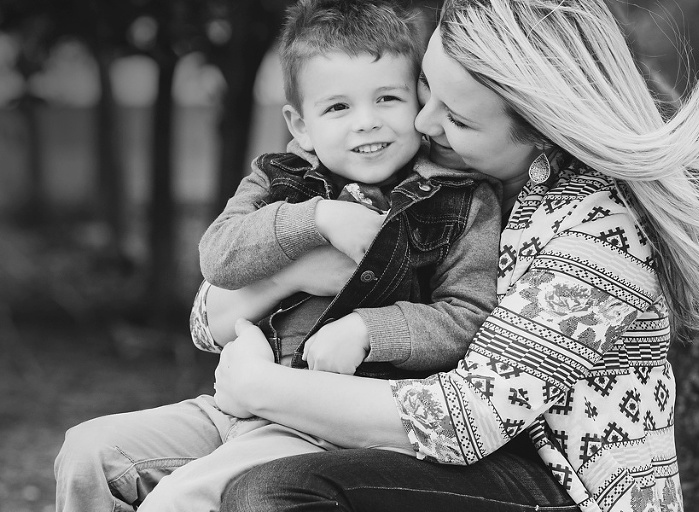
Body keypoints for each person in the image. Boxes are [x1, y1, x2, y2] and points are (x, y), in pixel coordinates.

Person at [212, 1, 699, 511]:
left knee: (274, 490)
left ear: (543, 132)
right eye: (426, 88)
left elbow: (472, 416)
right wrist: (295, 274)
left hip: (566, 486)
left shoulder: (599, 232)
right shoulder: (434, 168)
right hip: (460, 455)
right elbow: (214, 309)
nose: (424, 122)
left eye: (457, 117)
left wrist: (264, 387)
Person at [53, 1, 501, 512]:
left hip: (325, 423)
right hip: (233, 407)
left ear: (418, 103)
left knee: (181, 500)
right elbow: (220, 256)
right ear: (300, 124)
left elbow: (467, 318)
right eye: (338, 107)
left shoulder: (458, 201)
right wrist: (317, 218)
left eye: (388, 98)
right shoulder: (278, 180)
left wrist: (369, 332)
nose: (367, 123)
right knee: (91, 451)